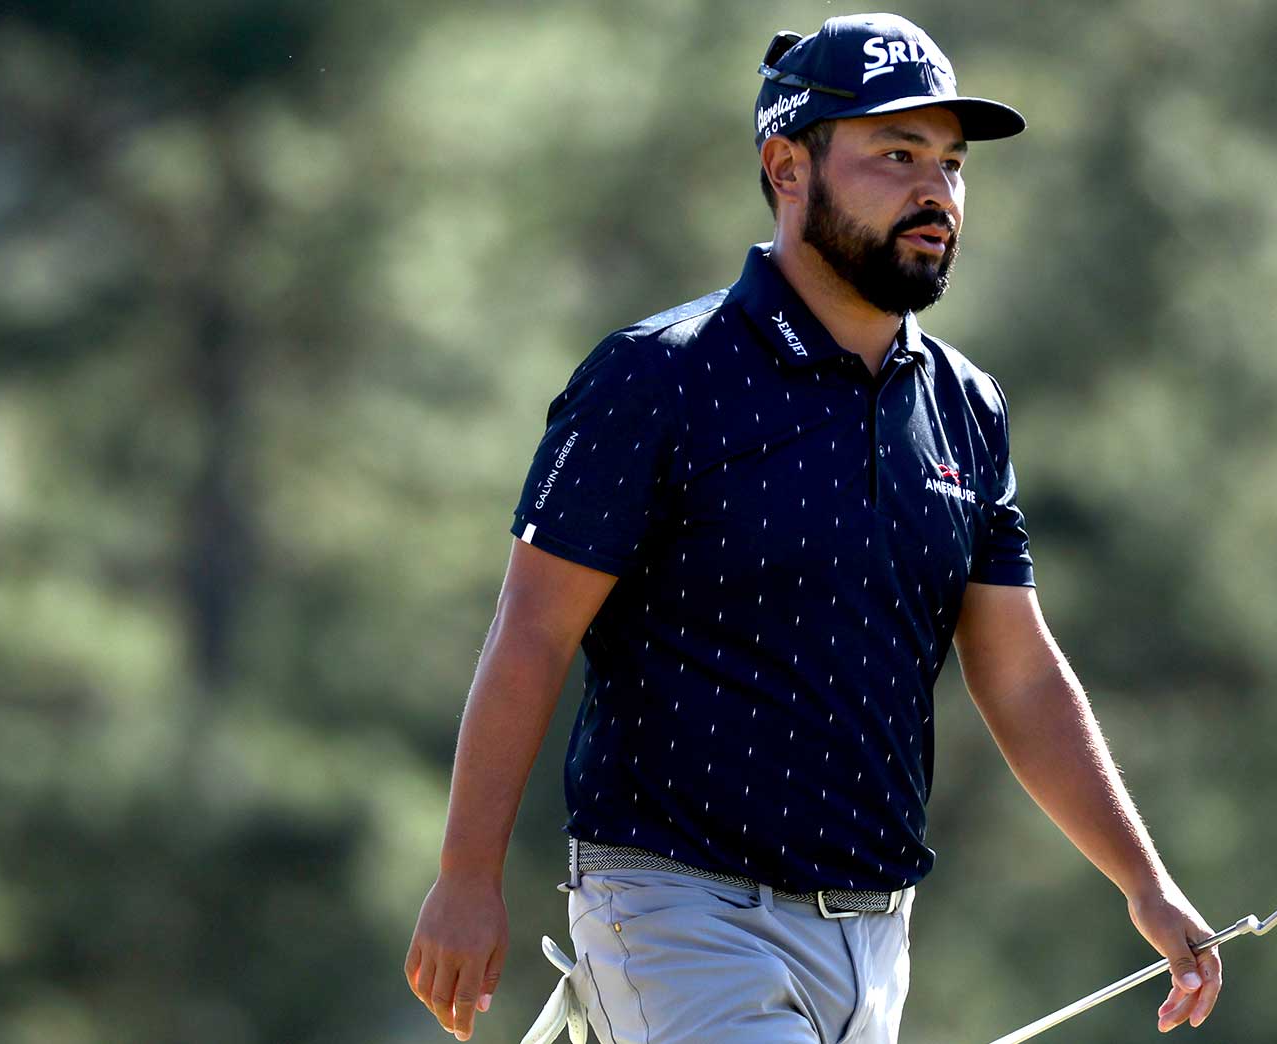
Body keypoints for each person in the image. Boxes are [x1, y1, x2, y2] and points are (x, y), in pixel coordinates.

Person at [404, 13, 1222, 1042]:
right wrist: (465, 876)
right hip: (676, 911)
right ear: (786, 165)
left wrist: (1142, 885)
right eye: (893, 154)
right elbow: (532, 625)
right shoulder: (661, 375)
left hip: (874, 941)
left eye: (950, 163)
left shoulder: (966, 408)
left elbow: (1017, 673)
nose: (936, 191)